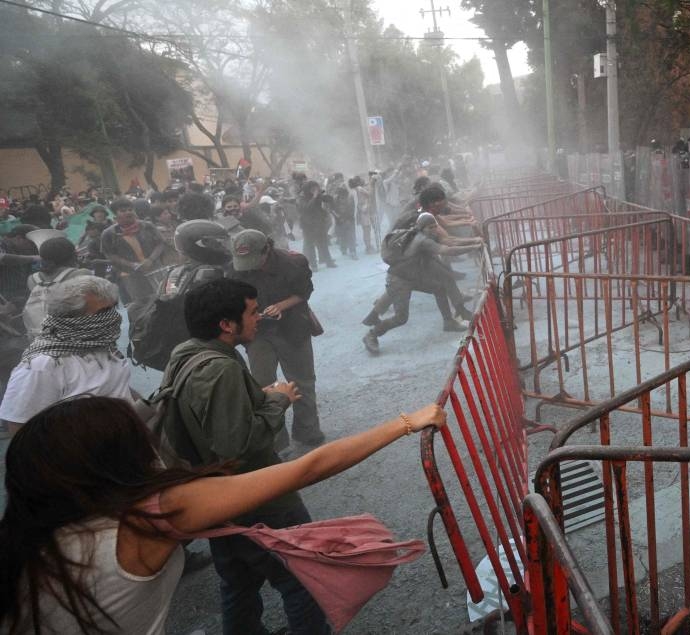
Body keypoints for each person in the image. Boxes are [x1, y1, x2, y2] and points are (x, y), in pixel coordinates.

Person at [0, 395, 445, 634]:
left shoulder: (30, 533)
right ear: (119, 457)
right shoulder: (153, 513)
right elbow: (306, 467)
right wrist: (406, 422)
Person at [229, 230, 326, 450]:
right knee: (263, 384)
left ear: (267, 250)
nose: (249, 266)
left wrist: (281, 306)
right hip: (257, 333)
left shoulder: (293, 263)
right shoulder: (235, 269)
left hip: (292, 328)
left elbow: (304, 292)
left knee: (302, 381)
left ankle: (307, 430)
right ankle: (275, 439)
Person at [0, 275, 130, 434]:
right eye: (103, 312)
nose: (113, 317)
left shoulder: (102, 346)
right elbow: (20, 429)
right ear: (74, 318)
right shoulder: (43, 365)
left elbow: (115, 384)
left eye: (113, 308)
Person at [362, 212, 481, 354]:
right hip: (399, 280)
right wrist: (475, 246)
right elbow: (448, 250)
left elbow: (449, 243)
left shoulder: (416, 234)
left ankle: (448, 322)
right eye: (430, 227)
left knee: (439, 288)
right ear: (422, 228)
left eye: (434, 226)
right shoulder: (422, 241)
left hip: (412, 277)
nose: (434, 230)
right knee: (401, 318)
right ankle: (372, 334)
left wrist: (474, 242)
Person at [100, 199, 165, 303]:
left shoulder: (147, 226)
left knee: (165, 296)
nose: (128, 212)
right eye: (123, 211)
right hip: (131, 276)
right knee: (144, 304)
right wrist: (132, 265)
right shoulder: (108, 234)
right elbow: (110, 255)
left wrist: (151, 260)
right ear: (115, 216)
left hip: (156, 269)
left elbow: (160, 243)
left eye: (130, 209)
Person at [298, 181, 336, 270]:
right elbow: (307, 208)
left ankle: (328, 261)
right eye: (312, 189)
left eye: (315, 188)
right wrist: (314, 196)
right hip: (308, 226)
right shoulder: (301, 198)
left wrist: (325, 195)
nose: (314, 190)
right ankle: (313, 265)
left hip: (319, 224)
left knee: (323, 243)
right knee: (310, 246)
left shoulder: (317, 196)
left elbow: (328, 199)